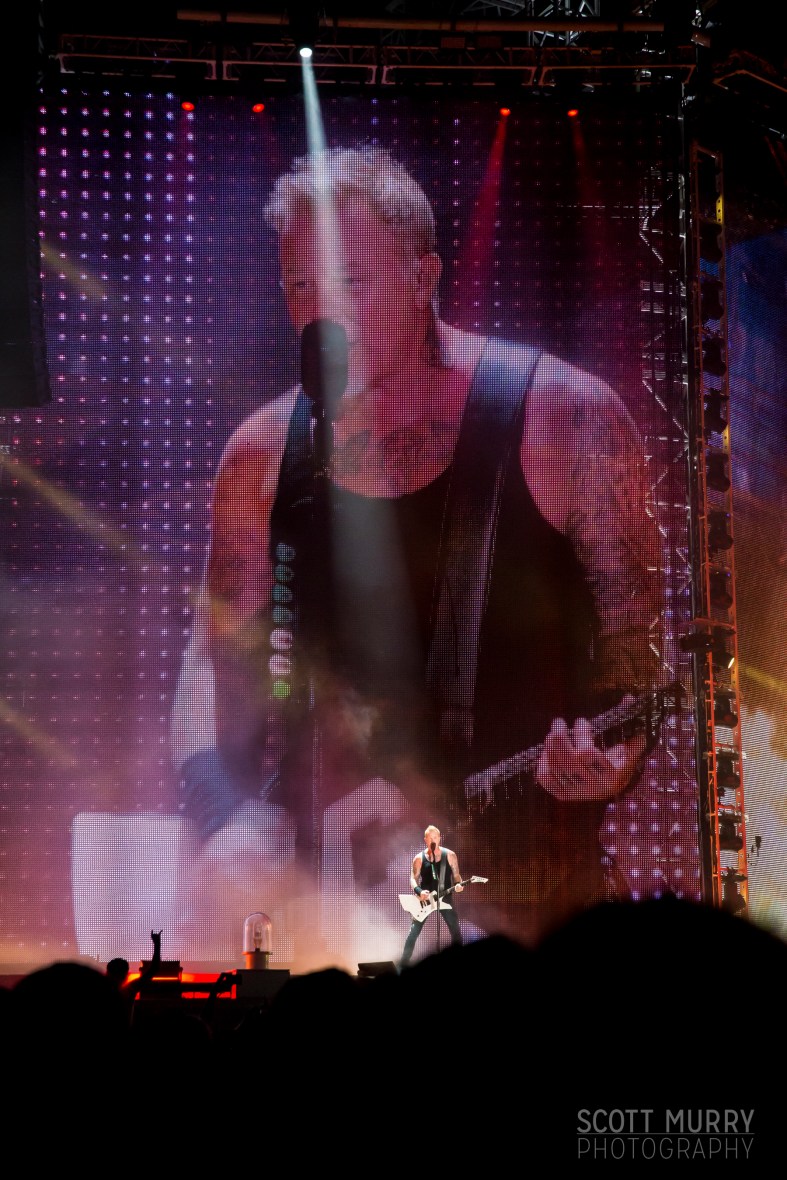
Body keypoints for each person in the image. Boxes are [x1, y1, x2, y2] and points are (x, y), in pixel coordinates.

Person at [170, 145, 662, 954]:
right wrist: (224, 815)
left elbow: (638, 658)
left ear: (422, 274)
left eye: (350, 282)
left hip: (523, 896)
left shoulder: (561, 416)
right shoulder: (260, 452)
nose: (322, 315)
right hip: (322, 903)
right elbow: (209, 663)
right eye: (300, 286)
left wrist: (615, 759)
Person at [399, 825, 463, 968]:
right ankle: (403, 966)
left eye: (435, 837)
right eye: (430, 838)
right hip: (425, 900)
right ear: (425, 840)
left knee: (456, 931)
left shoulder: (450, 855)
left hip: (445, 898)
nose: (433, 840)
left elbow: (457, 876)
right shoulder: (419, 858)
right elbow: (413, 879)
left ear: (440, 838)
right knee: (413, 933)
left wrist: (458, 885)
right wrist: (419, 891)